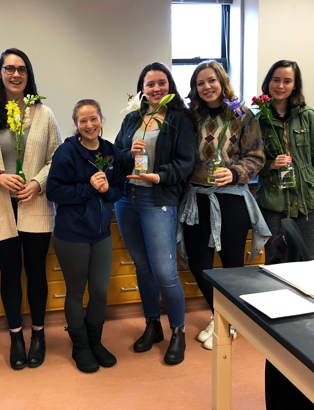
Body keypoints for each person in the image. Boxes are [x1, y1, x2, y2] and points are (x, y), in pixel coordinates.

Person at [0, 48, 61, 370]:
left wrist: (37, 182)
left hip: (34, 203)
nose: (15, 75)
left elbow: (56, 158)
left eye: (21, 69)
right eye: (9, 69)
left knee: (36, 272)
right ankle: (15, 337)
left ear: (28, 75)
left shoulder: (44, 114)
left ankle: (38, 334)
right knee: (10, 274)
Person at [179, 61, 271, 350]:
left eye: (211, 81)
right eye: (200, 83)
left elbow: (256, 157)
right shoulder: (189, 117)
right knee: (199, 264)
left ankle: (227, 321)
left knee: (232, 266)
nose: (206, 87)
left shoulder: (242, 115)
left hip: (231, 200)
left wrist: (234, 172)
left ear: (222, 81)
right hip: (197, 200)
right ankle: (222, 315)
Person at [114, 62, 196, 365]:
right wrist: (128, 154)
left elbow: (186, 162)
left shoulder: (179, 120)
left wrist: (159, 176)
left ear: (169, 86)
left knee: (164, 271)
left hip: (158, 197)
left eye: (162, 83)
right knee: (143, 267)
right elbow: (117, 156)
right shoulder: (132, 119)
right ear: (142, 89)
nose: (156, 89)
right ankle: (152, 325)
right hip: (127, 199)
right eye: (150, 85)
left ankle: (178, 331)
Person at [46, 99, 124, 373]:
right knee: (77, 292)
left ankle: (95, 341)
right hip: (73, 235)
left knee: (101, 291)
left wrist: (106, 192)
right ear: (76, 124)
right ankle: (80, 346)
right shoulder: (67, 152)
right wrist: (89, 189)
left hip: (101, 233)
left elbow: (117, 190)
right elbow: (54, 191)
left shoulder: (110, 151)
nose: (89, 125)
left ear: (101, 119)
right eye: (83, 121)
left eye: (94, 118)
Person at [255, 60, 314, 263]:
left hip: (306, 202)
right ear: (268, 82)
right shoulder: (258, 120)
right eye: (276, 80)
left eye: (287, 81)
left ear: (294, 85)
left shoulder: (307, 116)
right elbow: (250, 164)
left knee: (304, 261)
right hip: (273, 202)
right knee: (275, 261)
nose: (280, 86)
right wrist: (271, 164)